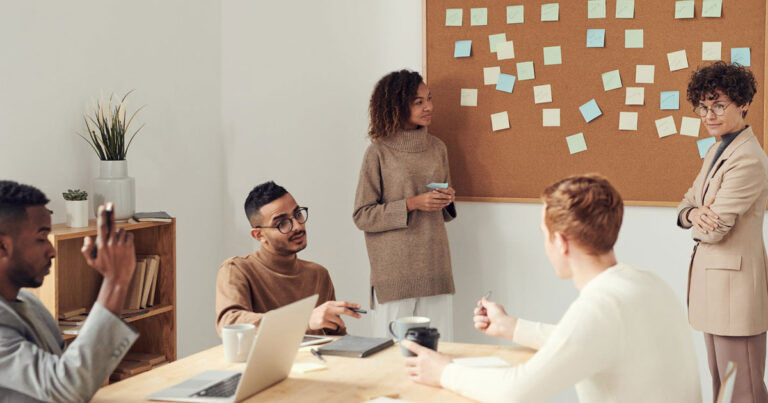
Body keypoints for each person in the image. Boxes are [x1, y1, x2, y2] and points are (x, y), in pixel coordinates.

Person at [402, 175, 701, 402]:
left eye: (544, 235)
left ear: (560, 241)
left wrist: (444, 372)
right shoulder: (645, 283)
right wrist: (512, 327)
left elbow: (515, 391)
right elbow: (581, 341)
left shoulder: (601, 307)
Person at [677, 61, 768, 402]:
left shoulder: (748, 159)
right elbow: (686, 203)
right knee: (724, 389)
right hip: (715, 289)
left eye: (718, 105)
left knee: (743, 391)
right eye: (703, 106)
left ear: (743, 103)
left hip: (735, 292)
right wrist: (694, 213)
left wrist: (697, 217)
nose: (709, 115)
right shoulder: (718, 149)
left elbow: (716, 230)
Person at [0, 181, 138, 402]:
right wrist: (115, 281)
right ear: (3, 246)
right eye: (41, 238)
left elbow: (71, 373)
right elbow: (66, 388)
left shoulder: (29, 303)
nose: (52, 251)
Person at [353, 70, 457, 340]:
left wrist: (446, 200)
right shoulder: (378, 152)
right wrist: (412, 203)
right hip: (395, 275)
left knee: (440, 353)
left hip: (435, 267)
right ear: (396, 105)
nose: (429, 107)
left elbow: (442, 213)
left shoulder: (437, 148)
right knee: (391, 358)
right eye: (418, 101)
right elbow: (363, 216)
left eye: (429, 99)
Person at [216, 181, 360, 336]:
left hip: (315, 360)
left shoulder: (318, 274)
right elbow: (229, 323)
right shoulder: (236, 269)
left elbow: (337, 342)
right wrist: (303, 320)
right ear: (259, 235)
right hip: (266, 361)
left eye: (298, 214)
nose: (298, 226)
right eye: (282, 223)